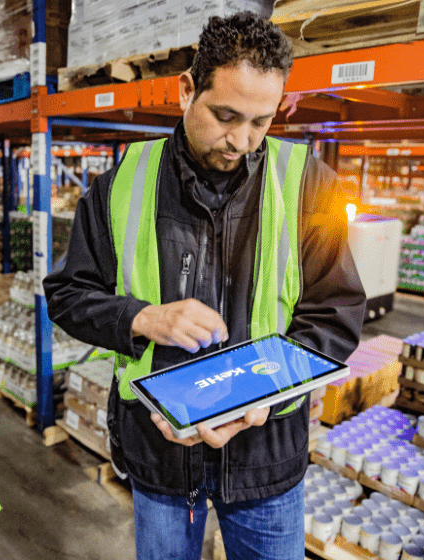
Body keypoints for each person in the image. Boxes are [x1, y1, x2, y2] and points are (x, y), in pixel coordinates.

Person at [44, 12, 366, 560]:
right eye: (225, 115)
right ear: (187, 88)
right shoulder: (123, 183)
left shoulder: (307, 183)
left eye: (261, 122)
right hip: (160, 457)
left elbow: (334, 314)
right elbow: (68, 294)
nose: (240, 140)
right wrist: (141, 318)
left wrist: (265, 397)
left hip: (266, 457)